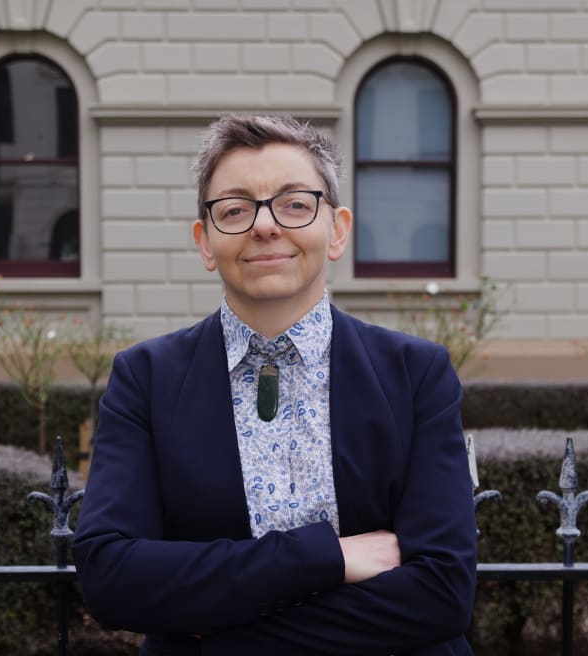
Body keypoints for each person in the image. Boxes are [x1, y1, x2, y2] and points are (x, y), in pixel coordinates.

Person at [72, 114, 477, 656]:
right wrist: (327, 558)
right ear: (205, 242)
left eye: (294, 203)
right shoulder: (145, 379)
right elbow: (111, 575)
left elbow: (442, 593)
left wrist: (215, 626)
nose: (265, 226)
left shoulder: (416, 374)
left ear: (337, 230)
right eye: (235, 209)